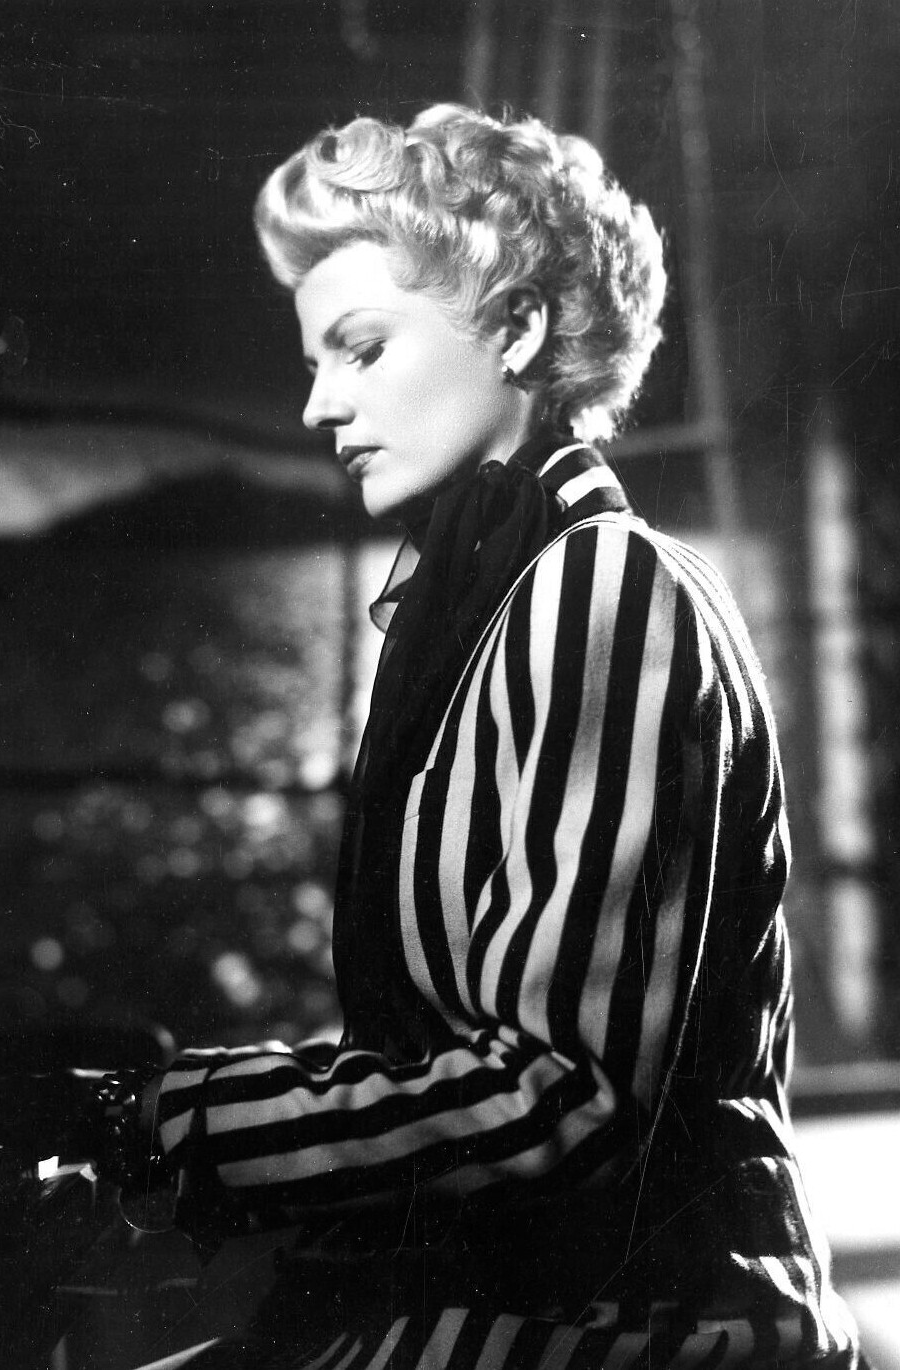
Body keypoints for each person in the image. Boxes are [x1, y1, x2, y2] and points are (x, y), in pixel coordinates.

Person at [111, 104, 863, 1368]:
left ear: (515, 329)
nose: (318, 405)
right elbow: (465, 1054)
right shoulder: (490, 604)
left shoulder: (602, 585)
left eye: (360, 348)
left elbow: (561, 1099)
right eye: (313, 362)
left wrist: (163, 1117)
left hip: (644, 1330)